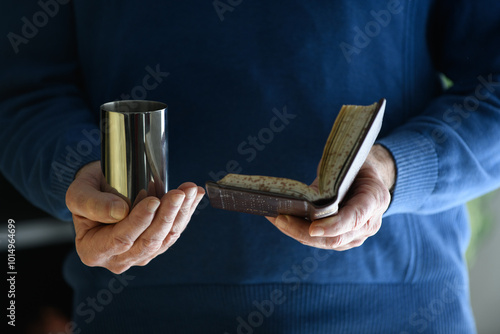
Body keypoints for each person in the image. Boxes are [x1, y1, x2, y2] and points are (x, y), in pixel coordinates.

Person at [1, 1, 499, 333]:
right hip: (133, 310)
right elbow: (22, 85)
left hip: (396, 312)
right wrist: (76, 174)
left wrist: (398, 168)